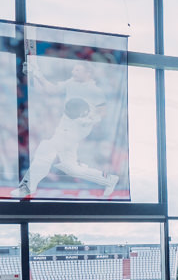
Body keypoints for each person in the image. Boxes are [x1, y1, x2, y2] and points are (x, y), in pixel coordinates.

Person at [18, 60, 119, 198]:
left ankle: (27, 187)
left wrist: (92, 119)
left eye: (77, 70)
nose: (73, 72)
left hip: (78, 128)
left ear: (88, 73)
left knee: (46, 148)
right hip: (63, 126)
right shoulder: (70, 83)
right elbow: (51, 89)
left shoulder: (95, 91)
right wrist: (37, 73)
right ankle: (108, 179)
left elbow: (102, 111)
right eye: (73, 70)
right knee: (71, 168)